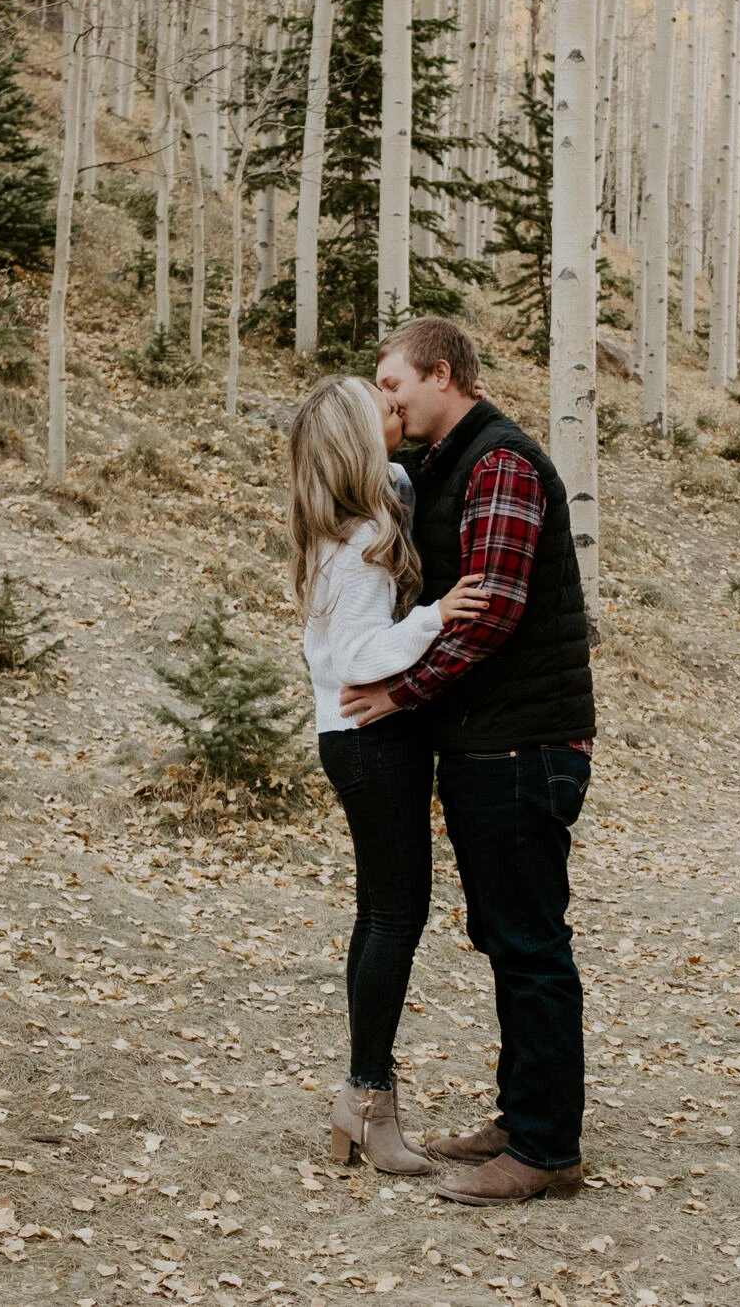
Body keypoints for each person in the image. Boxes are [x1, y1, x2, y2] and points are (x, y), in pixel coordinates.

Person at [342, 316, 597, 1207]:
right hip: (493, 740)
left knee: (529, 942)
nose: (390, 400)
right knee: (505, 934)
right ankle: (523, 1115)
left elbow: (490, 610)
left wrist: (398, 692)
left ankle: (545, 1149)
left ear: (442, 373)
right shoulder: (453, 463)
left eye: (396, 385)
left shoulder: (502, 463)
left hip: (524, 744)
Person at [287, 375, 488, 1175]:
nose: (391, 405)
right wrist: (438, 615)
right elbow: (364, 655)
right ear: (354, 439)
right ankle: (370, 1098)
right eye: (378, 405)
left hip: (351, 741)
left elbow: (398, 478)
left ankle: (362, 1100)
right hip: (374, 737)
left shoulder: (343, 520)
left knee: (381, 911)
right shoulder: (368, 535)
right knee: (396, 916)